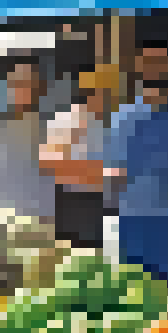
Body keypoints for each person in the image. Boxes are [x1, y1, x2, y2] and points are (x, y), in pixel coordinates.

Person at [103, 43, 168, 288]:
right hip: (133, 218)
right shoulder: (122, 117)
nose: (153, 69)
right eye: (147, 62)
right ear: (138, 67)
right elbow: (113, 170)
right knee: (133, 291)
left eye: (159, 62)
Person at [0, 62, 60, 228]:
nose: (25, 90)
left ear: (40, 90)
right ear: (8, 87)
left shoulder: (50, 129)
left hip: (40, 221)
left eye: (31, 84)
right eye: (19, 83)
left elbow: (53, 176)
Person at [41, 68, 116, 251]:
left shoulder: (112, 123)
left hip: (103, 204)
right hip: (74, 203)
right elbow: (48, 162)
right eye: (101, 92)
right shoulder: (69, 120)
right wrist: (94, 173)